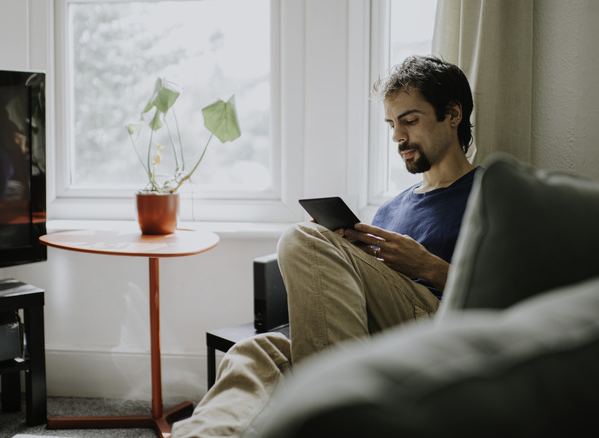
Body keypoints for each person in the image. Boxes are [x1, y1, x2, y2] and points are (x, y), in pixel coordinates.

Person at [172, 55, 480, 437]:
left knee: (301, 238)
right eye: (391, 124)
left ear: (452, 114)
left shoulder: (491, 194)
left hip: (432, 335)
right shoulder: (391, 209)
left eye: (410, 120)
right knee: (255, 353)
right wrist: (341, 255)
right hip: (369, 338)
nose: (398, 136)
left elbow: (514, 299)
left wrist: (426, 266)